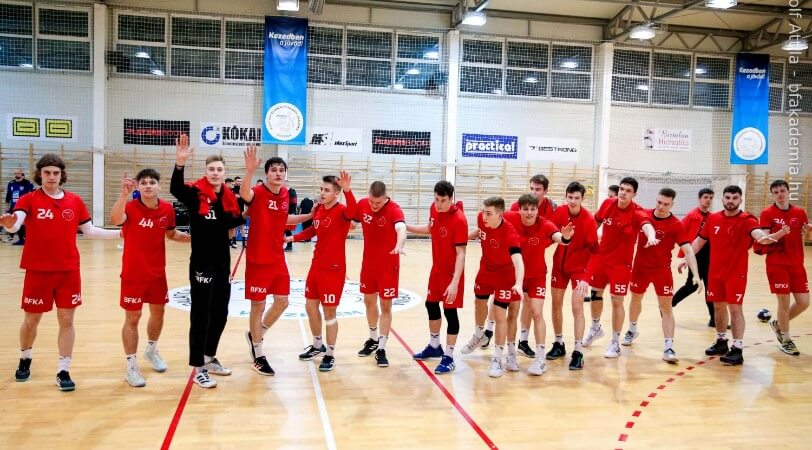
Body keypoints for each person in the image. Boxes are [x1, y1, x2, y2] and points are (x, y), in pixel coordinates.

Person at [1, 154, 120, 391]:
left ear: (61, 175)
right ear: (40, 175)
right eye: (47, 173)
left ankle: (63, 369)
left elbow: (90, 231)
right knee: (32, 320)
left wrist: (121, 233)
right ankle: (25, 357)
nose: (51, 177)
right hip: (38, 271)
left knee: (67, 320)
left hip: (68, 271)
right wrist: (10, 224)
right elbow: (16, 224)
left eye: (55, 173)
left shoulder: (74, 201)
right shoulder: (28, 199)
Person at [170, 134, 245, 388]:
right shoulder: (195, 193)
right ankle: (198, 367)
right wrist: (180, 163)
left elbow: (235, 223)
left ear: (224, 173)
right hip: (201, 262)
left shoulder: (229, 198)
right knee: (201, 314)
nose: (215, 173)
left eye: (219, 169)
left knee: (221, 312)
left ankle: (209, 357)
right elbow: (175, 189)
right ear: (206, 171)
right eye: (211, 169)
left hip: (222, 261)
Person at [111, 169, 191, 387]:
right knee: (133, 318)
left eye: (152, 182)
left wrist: (195, 239)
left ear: (159, 185)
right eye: (144, 182)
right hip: (133, 274)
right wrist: (123, 194)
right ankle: (131, 366)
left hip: (157, 273)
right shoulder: (129, 207)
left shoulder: (167, 209)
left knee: (158, 312)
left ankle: (151, 351)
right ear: (138, 186)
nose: (148, 186)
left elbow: (171, 233)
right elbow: (116, 219)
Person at [691, 185, 788, 366]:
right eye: (728, 197)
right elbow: (699, 241)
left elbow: (759, 235)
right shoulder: (713, 218)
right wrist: (685, 258)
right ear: (722, 199)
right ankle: (721, 341)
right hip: (715, 273)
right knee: (718, 307)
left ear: (740, 200)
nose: (731, 201)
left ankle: (737, 349)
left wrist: (774, 235)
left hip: (736, 274)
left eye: (734, 198)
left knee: (735, 309)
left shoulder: (747, 220)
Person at [239, 146, 310, 376]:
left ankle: (256, 334)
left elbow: (285, 218)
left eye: (281, 170)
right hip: (258, 259)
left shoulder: (285, 194)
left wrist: (310, 215)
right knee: (258, 306)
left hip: (278, 259)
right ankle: (258, 355)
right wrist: (249, 170)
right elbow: (245, 194)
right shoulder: (258, 192)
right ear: (267, 174)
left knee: (282, 302)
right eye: (274, 170)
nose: (278, 173)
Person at [583, 177, 658, 359]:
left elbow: (647, 226)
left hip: (621, 265)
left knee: (617, 301)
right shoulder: (608, 204)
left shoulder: (637, 212)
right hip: (601, 259)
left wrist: (651, 236)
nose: (623, 193)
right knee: (595, 295)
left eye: (628, 190)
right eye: (622, 189)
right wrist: (586, 240)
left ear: (634, 194)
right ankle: (595, 327)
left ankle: (615, 342)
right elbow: (596, 222)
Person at [623, 188, 701, 363]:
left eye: (666, 204)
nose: (661, 206)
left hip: (662, 271)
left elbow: (688, 250)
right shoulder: (644, 215)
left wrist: (695, 274)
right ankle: (632, 329)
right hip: (640, 269)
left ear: (672, 205)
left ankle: (668, 347)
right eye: (659, 202)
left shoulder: (676, 224)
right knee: (635, 299)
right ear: (656, 200)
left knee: (666, 307)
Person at [291, 171, 356, 372]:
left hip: (333, 270)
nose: (322, 193)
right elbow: (313, 230)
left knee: (329, 312)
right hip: (316, 266)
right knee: (310, 307)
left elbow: (354, 212)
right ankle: (318, 345)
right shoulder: (319, 209)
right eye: (321, 189)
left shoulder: (343, 211)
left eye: (326, 190)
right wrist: (292, 238)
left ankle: (330, 353)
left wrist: (348, 190)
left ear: (336, 193)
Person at [503, 195, 573, 375]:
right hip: (514, 276)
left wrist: (565, 237)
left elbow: (559, 237)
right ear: (519, 209)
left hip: (536, 277)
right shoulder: (510, 217)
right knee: (512, 312)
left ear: (537, 210)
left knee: (536, 312)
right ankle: (511, 354)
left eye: (532, 209)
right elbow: (491, 217)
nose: (529, 213)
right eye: (525, 209)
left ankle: (540, 359)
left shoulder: (545, 224)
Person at [460, 197, 524, 378]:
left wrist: (519, 283)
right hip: (486, 271)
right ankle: (479, 335)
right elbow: (480, 232)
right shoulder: (482, 220)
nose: (484, 216)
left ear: (500, 215)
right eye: (483, 212)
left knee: (499, 314)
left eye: (488, 214)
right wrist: (462, 238)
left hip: (505, 276)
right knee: (478, 302)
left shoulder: (510, 234)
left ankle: (497, 357)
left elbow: (518, 261)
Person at [407, 181, 467, 374]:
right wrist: (405, 227)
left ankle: (449, 356)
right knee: (431, 304)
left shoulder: (459, 219)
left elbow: (461, 254)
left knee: (450, 313)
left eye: (443, 201)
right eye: (436, 199)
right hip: (437, 270)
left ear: (451, 199)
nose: (439, 204)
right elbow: (429, 229)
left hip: (452, 274)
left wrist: (455, 283)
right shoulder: (434, 209)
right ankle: (434, 346)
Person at [492, 173, 555, 354]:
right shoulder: (514, 209)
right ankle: (488, 330)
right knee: (504, 305)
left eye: (538, 189)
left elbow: (554, 234)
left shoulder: (550, 210)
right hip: (512, 268)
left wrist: (544, 242)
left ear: (545, 191)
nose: (534, 192)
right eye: (532, 188)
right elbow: (496, 223)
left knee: (532, 307)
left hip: (535, 270)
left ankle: (524, 342)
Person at [353, 181, 407, 368]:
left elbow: (401, 229)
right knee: (369, 301)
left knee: (385, 305)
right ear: (368, 195)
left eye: (378, 203)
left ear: (385, 198)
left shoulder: (394, 210)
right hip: (368, 264)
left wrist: (399, 245)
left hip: (388, 266)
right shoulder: (362, 205)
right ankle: (373, 338)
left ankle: (382, 348)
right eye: (372, 202)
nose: (374, 206)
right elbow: (351, 224)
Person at [547, 181, 598, 370]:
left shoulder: (589, 220)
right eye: (570, 197)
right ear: (566, 197)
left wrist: (586, 278)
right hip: (559, 267)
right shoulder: (560, 212)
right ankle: (558, 343)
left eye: (577, 198)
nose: (573, 201)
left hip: (579, 270)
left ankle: (577, 351)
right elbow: (549, 234)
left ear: (582, 198)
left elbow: (595, 251)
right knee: (556, 304)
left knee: (577, 307)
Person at [758, 179, 811, 356]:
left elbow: (806, 234)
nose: (780, 194)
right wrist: (780, 233)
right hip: (777, 264)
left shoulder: (799, 212)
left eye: (782, 191)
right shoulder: (767, 213)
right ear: (772, 195)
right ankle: (786, 340)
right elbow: (763, 239)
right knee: (784, 303)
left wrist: (809, 231)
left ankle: (778, 324)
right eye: (776, 192)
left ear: (788, 192)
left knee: (804, 302)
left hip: (797, 264)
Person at [671, 188, 714, 326]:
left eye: (710, 197)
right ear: (699, 199)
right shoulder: (692, 215)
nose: (708, 200)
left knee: (711, 287)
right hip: (696, 255)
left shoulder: (712, 217)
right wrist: (686, 256)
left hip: (710, 256)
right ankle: (667, 306)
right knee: (692, 286)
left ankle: (714, 319)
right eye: (705, 197)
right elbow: (679, 230)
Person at [5, 168, 36, 245]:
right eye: (15, 173)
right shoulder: (11, 183)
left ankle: (22, 239)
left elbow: (34, 193)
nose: (16, 175)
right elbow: (8, 195)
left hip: (23, 206)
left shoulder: (27, 183)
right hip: (13, 205)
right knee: (11, 221)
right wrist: (7, 205)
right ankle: (11, 237)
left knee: (22, 222)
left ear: (22, 174)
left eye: (18, 173)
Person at [285, 180, 298, 252]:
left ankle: (289, 246)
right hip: (285, 214)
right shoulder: (284, 191)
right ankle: (288, 246)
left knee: (287, 230)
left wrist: (292, 213)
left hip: (289, 214)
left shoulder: (292, 192)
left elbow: (294, 203)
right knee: (285, 230)